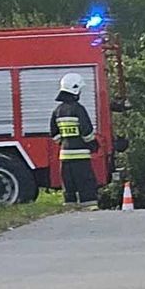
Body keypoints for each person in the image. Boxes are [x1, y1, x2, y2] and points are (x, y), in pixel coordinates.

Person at [50, 73, 99, 208]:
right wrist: (93, 145)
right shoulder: (78, 109)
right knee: (85, 182)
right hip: (81, 155)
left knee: (68, 184)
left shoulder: (57, 111)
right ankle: (89, 205)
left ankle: (70, 207)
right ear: (75, 90)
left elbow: (54, 133)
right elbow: (86, 131)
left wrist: (63, 142)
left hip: (65, 156)